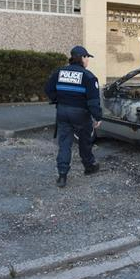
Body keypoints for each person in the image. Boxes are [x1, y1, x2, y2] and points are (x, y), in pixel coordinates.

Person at [45, 46, 102, 188]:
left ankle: (62, 175)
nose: (88, 60)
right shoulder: (88, 76)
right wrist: (98, 117)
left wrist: (57, 100)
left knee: (64, 143)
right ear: (82, 58)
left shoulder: (59, 72)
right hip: (81, 114)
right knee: (85, 141)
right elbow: (93, 101)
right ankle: (89, 166)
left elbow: (48, 89)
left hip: (63, 111)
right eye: (87, 57)